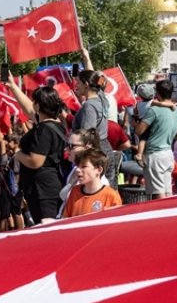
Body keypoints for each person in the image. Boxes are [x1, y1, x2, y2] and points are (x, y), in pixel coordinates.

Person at [12, 86, 68, 224]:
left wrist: (18, 155)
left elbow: (36, 161)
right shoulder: (56, 125)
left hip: (42, 189)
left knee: (47, 228)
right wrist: (13, 87)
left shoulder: (43, 130)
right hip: (48, 186)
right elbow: (29, 110)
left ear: (38, 105)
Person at [133, 79, 177, 199]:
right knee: (167, 191)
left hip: (154, 155)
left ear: (158, 93)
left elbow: (139, 131)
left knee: (158, 193)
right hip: (168, 154)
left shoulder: (154, 111)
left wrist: (136, 122)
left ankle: (160, 216)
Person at [62, 148, 122, 218]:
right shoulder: (75, 191)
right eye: (77, 166)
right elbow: (66, 219)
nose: (78, 170)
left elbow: (115, 224)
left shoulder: (111, 196)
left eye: (84, 166)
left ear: (99, 170)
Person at [72, 69, 112, 155]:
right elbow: (99, 82)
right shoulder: (102, 97)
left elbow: (87, 135)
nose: (76, 85)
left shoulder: (89, 105)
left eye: (78, 82)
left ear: (86, 84)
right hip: (104, 147)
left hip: (94, 151)